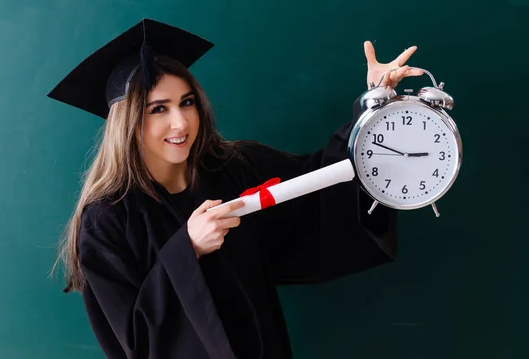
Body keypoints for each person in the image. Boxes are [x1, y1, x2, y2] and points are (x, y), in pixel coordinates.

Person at [48, 18, 423, 359]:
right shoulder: (106, 222)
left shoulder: (235, 169)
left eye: (187, 103)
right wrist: (187, 248)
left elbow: (324, 180)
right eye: (157, 109)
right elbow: (133, 341)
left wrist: (374, 110)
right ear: (128, 121)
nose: (180, 123)